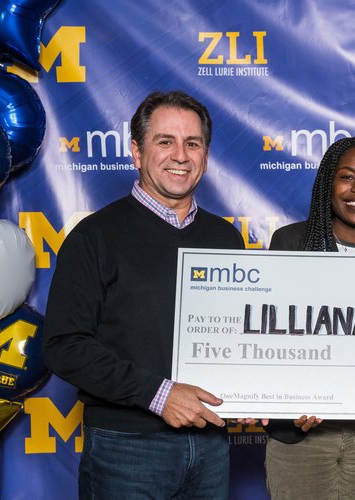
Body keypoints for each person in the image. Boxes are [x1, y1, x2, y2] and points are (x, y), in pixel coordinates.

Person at [43, 90, 244, 499]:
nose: (180, 156)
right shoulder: (94, 237)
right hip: (126, 448)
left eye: (193, 143)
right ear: (137, 152)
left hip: (211, 444)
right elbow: (64, 345)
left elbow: (243, 337)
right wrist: (158, 394)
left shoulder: (225, 238)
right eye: (165, 142)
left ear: (206, 155)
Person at [264, 136, 355, 499]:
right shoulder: (289, 242)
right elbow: (267, 339)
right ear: (328, 183)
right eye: (347, 177)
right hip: (301, 436)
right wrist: (284, 402)